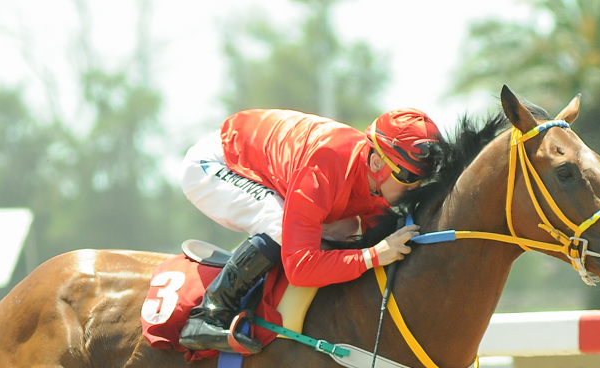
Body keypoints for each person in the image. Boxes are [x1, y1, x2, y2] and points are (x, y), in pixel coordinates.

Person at [177, 107, 444, 354]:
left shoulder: (373, 175)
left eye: (423, 179)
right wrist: (373, 256)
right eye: (409, 177)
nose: (415, 187)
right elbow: (300, 267)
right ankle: (209, 314)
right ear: (375, 163)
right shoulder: (323, 169)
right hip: (217, 163)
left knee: (347, 230)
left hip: (270, 165)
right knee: (280, 225)